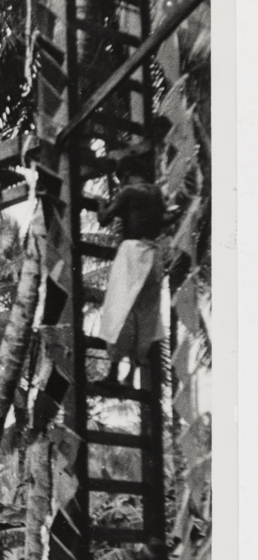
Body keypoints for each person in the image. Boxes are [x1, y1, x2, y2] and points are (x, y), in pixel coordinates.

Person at [97, 153, 167, 386]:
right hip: (153, 255)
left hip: (131, 254)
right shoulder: (156, 193)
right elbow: (162, 220)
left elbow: (104, 219)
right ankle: (131, 375)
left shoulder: (127, 192)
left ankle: (114, 374)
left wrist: (100, 205)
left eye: (121, 179)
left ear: (126, 175)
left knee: (119, 310)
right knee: (146, 316)